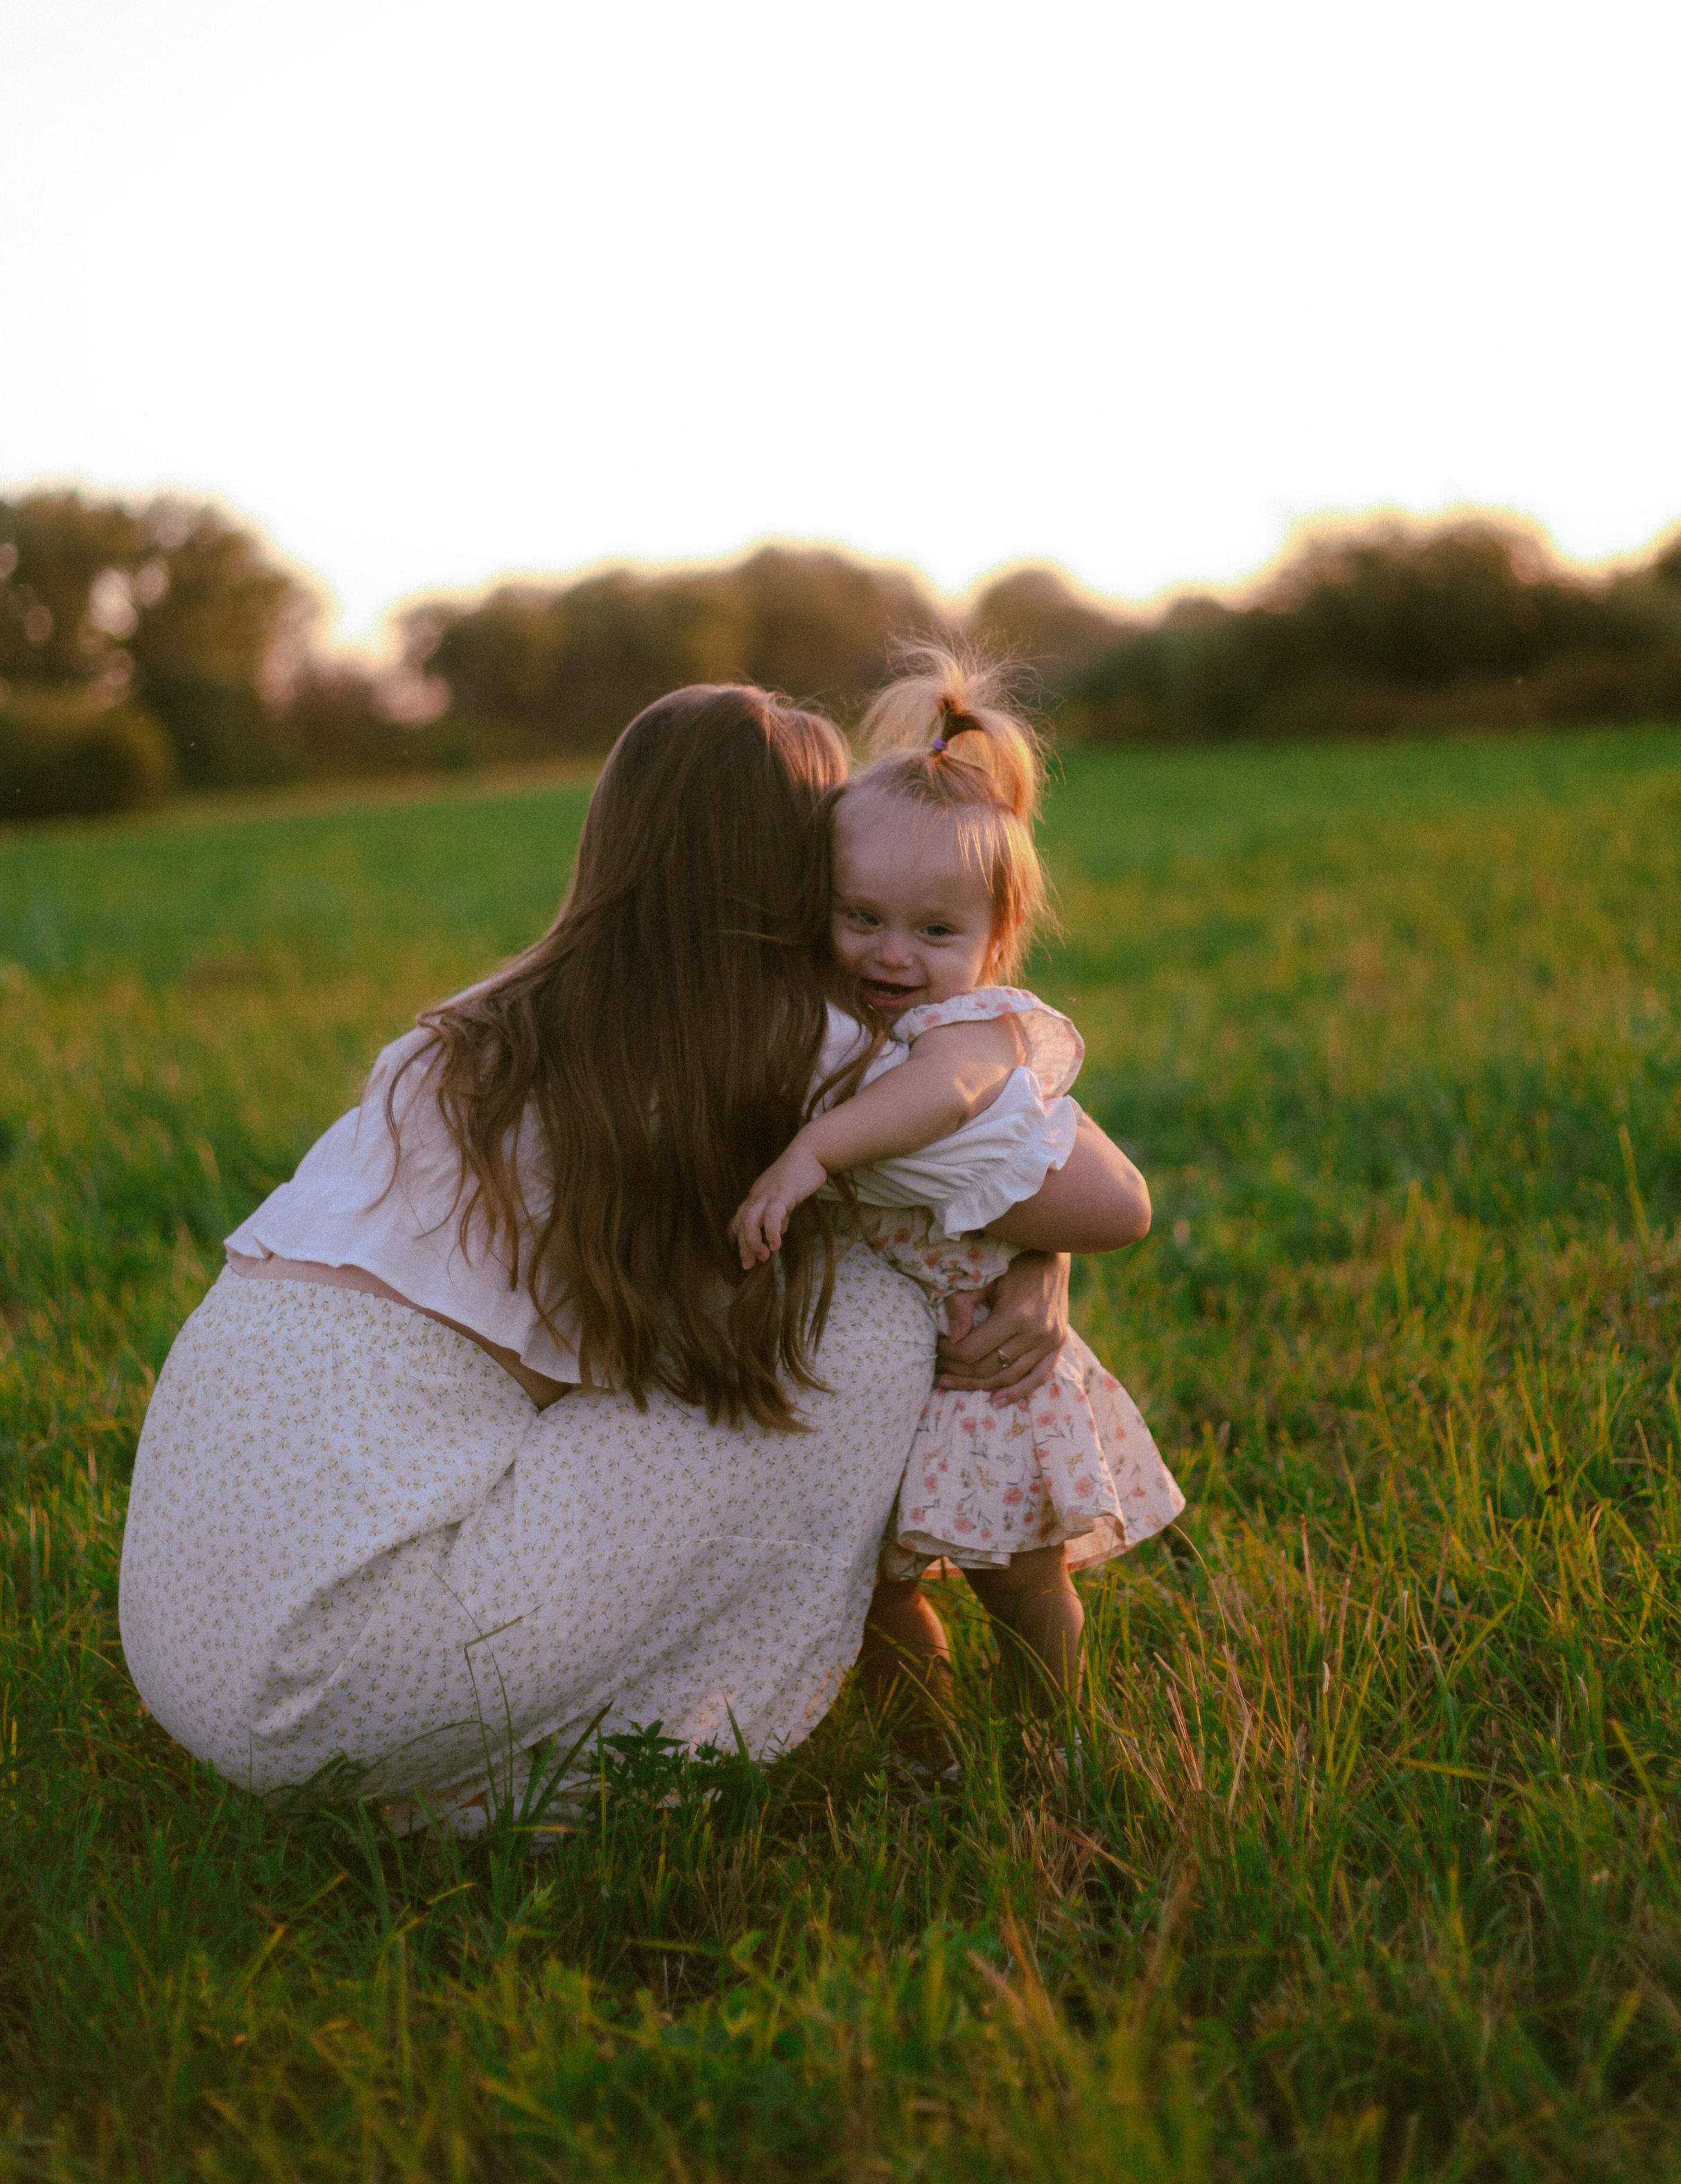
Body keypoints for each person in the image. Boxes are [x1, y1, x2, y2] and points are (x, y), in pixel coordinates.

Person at [117, 683, 1149, 1830]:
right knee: (861, 1311)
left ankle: (435, 1757)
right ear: (797, 871)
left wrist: (1029, 1249)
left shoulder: (471, 1023)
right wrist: (1034, 1252)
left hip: (194, 1647)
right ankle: (615, 1747)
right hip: (345, 1669)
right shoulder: (787, 1054)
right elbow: (1101, 1193)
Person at [732, 650, 1182, 1719]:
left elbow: (945, 1097)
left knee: (1020, 1583)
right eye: (862, 919)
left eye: (936, 933)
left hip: (986, 1376)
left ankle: (1051, 1739)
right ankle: (927, 1753)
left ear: (996, 945)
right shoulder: (824, 1022)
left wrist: (815, 1153)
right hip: (877, 1380)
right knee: (876, 1592)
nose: (893, 956)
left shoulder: (972, 1029)